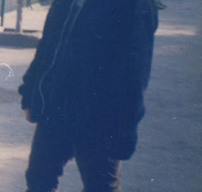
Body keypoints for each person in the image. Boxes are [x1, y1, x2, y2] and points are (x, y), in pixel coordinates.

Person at [17, 0, 160, 191]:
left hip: (100, 119)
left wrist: (125, 129)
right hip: (56, 107)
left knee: (100, 187)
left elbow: (136, 73)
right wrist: (30, 91)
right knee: (38, 180)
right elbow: (48, 45)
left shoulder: (132, 6)